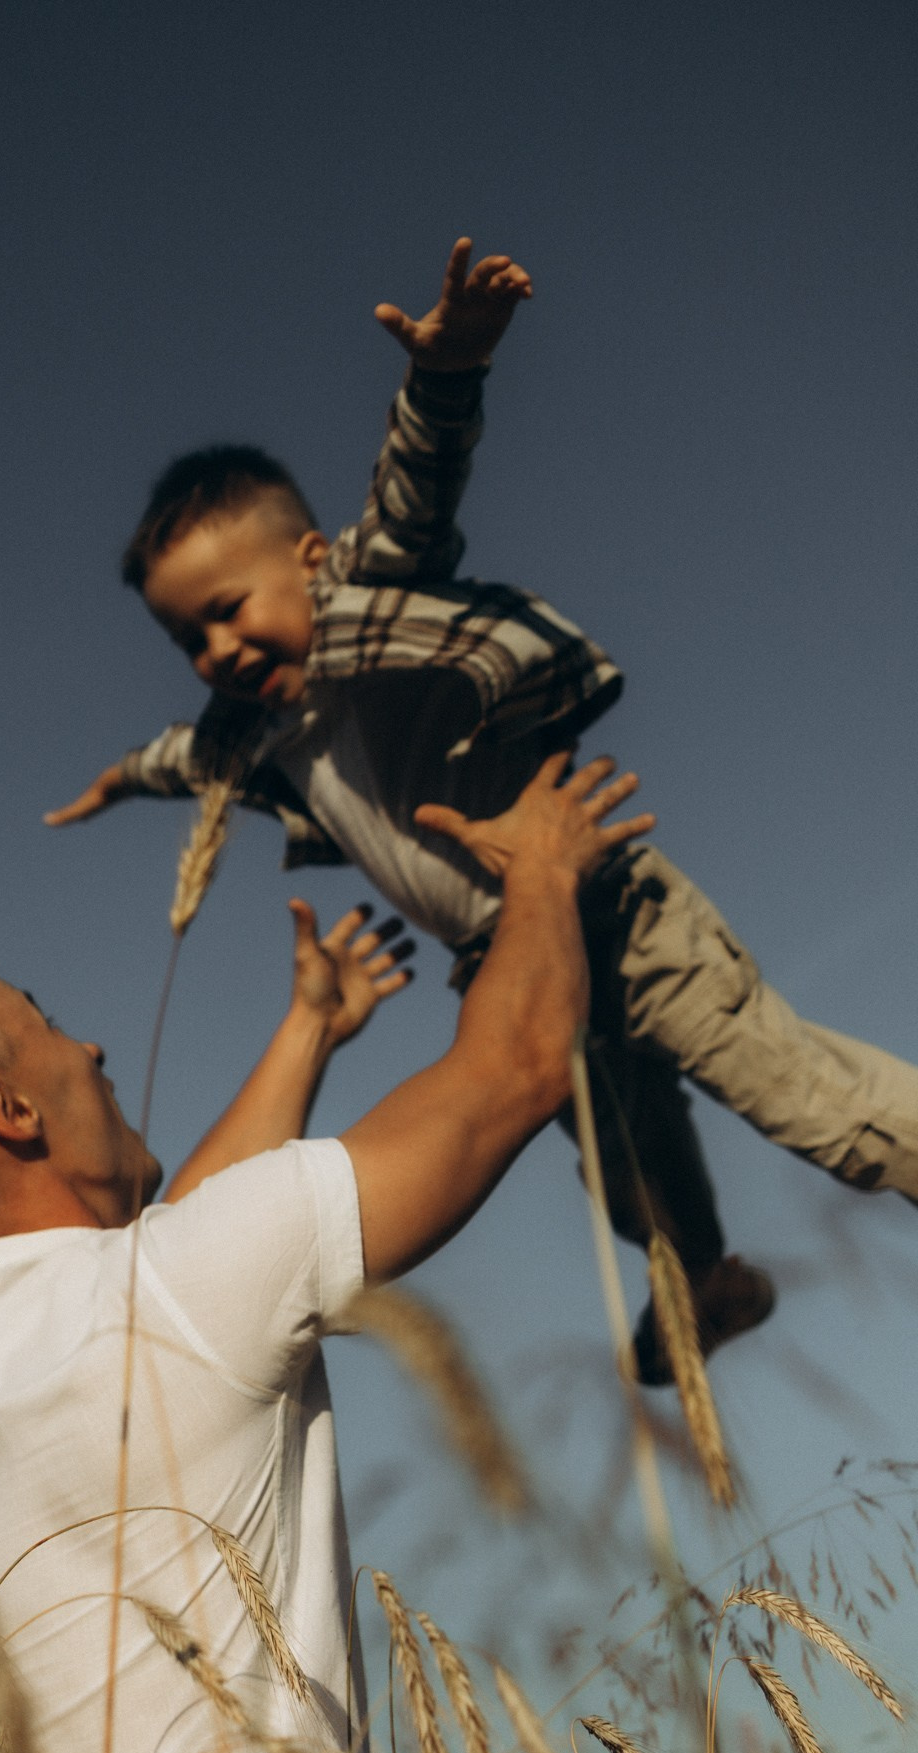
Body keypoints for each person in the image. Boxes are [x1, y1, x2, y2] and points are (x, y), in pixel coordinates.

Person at [45, 237, 918, 1386]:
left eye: (225, 608)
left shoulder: (369, 594)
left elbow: (416, 496)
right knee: (629, 1168)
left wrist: (446, 373)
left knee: (798, 1097)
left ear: (310, 561)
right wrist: (117, 782)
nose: (214, 649)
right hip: (516, 969)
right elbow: (181, 759)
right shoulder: (252, 735)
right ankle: (706, 1283)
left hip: (617, 922)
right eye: (185, 638)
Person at [0, 755, 649, 1753]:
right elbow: (508, 1070)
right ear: (8, 1110)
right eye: (47, 1029)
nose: (92, 1049)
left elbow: (184, 1260)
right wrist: (544, 870)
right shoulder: (174, 1293)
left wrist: (306, 1032)